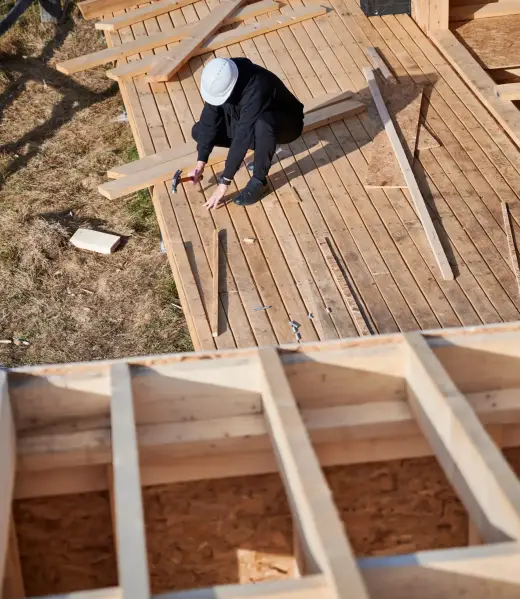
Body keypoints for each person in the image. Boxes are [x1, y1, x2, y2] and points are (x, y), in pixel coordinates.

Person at [190, 57, 304, 209]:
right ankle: (264, 147)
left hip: (287, 125)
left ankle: (259, 181)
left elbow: (243, 135)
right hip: (248, 119)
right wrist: (201, 162)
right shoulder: (221, 77)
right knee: (199, 131)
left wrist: (224, 182)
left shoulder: (257, 87)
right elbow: (209, 119)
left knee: (263, 124)